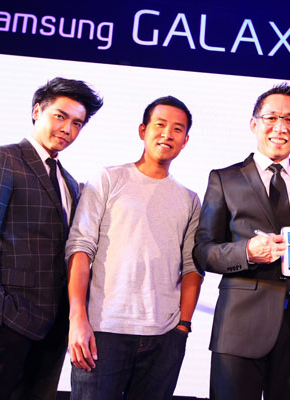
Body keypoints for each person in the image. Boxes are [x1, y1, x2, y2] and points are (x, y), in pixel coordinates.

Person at [0, 77, 103, 399]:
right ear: (37, 111)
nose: (67, 129)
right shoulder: (1, 158)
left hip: (53, 328)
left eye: (77, 123)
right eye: (60, 116)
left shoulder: (69, 182)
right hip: (5, 323)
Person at [193, 83, 290, 400]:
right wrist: (247, 251)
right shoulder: (224, 179)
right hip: (240, 328)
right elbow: (203, 251)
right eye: (271, 117)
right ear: (254, 123)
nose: (280, 127)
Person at [65, 96, 203, 400]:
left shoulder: (189, 199)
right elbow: (80, 248)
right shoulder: (108, 178)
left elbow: (192, 267)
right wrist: (77, 318)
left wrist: (182, 327)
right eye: (160, 125)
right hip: (103, 330)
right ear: (143, 130)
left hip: (164, 337)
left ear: (185, 140)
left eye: (177, 129)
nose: (167, 134)